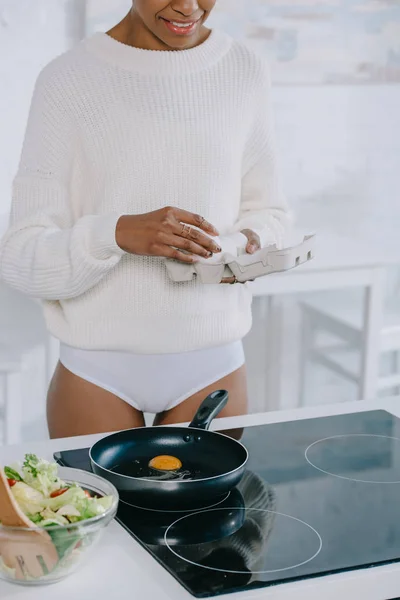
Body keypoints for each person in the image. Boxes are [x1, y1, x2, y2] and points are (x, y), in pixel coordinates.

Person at [0, 1, 291, 438]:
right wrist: (114, 234)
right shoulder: (67, 78)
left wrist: (243, 246)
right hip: (97, 372)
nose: (189, 7)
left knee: (207, 511)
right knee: (91, 510)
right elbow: (21, 257)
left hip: (213, 366)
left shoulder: (244, 70)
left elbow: (273, 216)